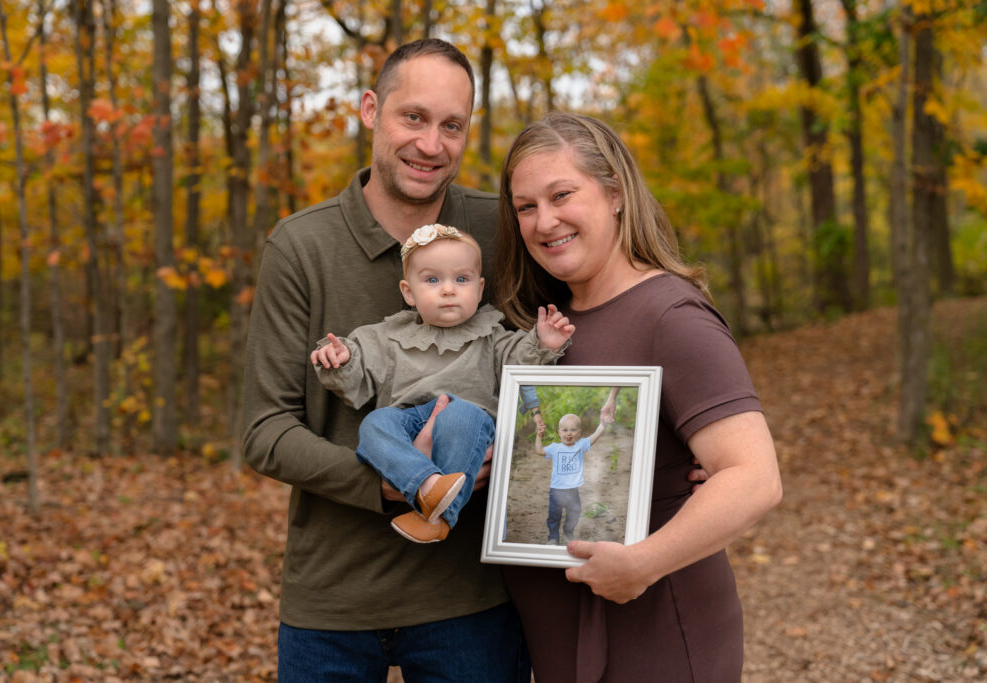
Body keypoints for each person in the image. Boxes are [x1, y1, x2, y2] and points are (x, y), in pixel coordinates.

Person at [242, 39, 532, 680]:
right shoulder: (301, 246)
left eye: (451, 125)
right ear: (371, 109)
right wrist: (388, 482)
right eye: (414, 118)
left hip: (472, 601)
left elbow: (583, 329)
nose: (431, 144)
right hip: (334, 606)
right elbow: (265, 432)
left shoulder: (502, 228)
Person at [493, 111, 783, 682]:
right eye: (526, 207)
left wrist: (642, 564)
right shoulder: (542, 324)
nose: (544, 220)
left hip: (654, 629)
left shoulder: (670, 315)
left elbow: (755, 477)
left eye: (562, 195)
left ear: (615, 193)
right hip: (560, 633)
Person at [310, 224, 574, 544]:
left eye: (461, 279)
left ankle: (439, 515)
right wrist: (340, 358)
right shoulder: (388, 336)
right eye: (432, 280)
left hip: (467, 420)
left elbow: (521, 367)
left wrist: (543, 344)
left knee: (460, 417)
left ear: (478, 289)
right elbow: (356, 378)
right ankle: (427, 485)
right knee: (374, 424)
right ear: (409, 292)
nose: (448, 289)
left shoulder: (491, 335)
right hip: (407, 422)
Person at [535, 410, 613, 545]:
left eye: (573, 430)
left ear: (579, 433)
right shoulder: (555, 448)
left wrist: (603, 425)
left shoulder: (580, 445)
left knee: (575, 513)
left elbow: (594, 436)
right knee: (554, 515)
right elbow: (539, 451)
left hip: (572, 490)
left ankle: (568, 531)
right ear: (559, 432)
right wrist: (539, 437)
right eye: (565, 430)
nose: (569, 433)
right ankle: (553, 536)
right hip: (556, 490)